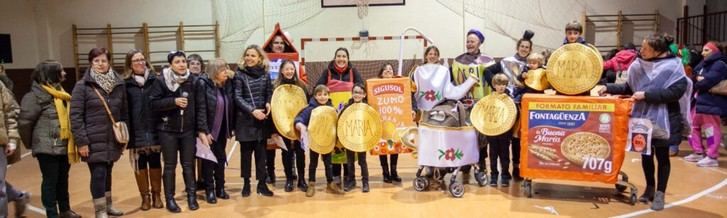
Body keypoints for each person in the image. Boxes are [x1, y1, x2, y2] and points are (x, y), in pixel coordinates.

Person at [599, 33, 692, 211]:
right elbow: (629, 87)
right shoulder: (638, 65)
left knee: (662, 156)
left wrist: (647, 95)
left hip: (665, 119)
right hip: (642, 118)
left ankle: (660, 193)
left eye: (645, 48)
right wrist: (608, 88)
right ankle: (649, 188)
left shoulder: (674, 67)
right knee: (645, 154)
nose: (640, 51)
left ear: (658, 51)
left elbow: (675, 93)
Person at [18, 60, 81, 218]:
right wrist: (33, 144)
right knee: (50, 181)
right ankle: (52, 213)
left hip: (64, 145)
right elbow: (24, 123)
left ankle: (65, 210)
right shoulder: (33, 96)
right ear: (51, 74)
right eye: (61, 71)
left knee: (63, 179)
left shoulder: (61, 92)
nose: (65, 73)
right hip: (46, 147)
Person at [70, 48, 127, 217]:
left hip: (112, 138)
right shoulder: (82, 86)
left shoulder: (119, 84)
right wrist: (82, 141)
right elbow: (75, 115)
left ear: (109, 62)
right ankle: (100, 210)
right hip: (92, 139)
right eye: (96, 61)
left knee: (108, 171)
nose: (100, 64)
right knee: (99, 173)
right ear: (91, 63)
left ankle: (108, 206)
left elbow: (124, 112)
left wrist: (124, 136)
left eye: (103, 60)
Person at [149, 51, 200, 213]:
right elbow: (153, 104)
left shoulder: (193, 80)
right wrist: (173, 102)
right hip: (167, 130)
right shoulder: (161, 81)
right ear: (171, 64)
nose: (181, 64)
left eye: (183, 61)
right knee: (170, 166)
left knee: (188, 165)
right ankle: (170, 198)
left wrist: (200, 128)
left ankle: (192, 196)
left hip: (188, 131)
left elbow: (200, 106)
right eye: (177, 62)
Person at [451, 29, 496, 184]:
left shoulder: (488, 61)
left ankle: (481, 165)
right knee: (464, 135)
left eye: (473, 41)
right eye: (468, 41)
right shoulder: (457, 61)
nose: (469, 43)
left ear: (479, 43)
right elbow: (452, 82)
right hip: (463, 105)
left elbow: (495, 82)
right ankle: (464, 164)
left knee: (481, 137)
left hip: (482, 105)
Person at [122, 49, 164, 211]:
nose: (140, 62)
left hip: (154, 128)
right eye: (135, 60)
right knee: (139, 164)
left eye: (142, 59)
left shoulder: (156, 80)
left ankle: (157, 195)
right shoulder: (125, 84)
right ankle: (145, 197)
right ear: (130, 65)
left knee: (155, 162)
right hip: (135, 130)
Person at [233, 45, 275, 197]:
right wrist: (252, 111)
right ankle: (246, 184)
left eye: (253, 55)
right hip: (245, 120)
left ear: (260, 58)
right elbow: (237, 97)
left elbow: (269, 92)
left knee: (261, 154)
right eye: (247, 55)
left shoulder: (265, 74)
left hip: (261, 120)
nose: (249, 58)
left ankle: (262, 184)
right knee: (246, 154)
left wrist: (268, 102)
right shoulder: (239, 75)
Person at [295, 85, 345, 197]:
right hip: (314, 142)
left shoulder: (331, 109)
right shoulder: (310, 109)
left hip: (327, 141)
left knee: (329, 163)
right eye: (319, 94)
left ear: (328, 96)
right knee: (313, 163)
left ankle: (330, 184)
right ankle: (311, 184)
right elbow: (299, 120)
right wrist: (301, 126)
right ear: (315, 96)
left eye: (325, 94)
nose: (322, 97)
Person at [196, 58, 234, 203]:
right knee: (208, 162)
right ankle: (209, 191)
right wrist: (204, 131)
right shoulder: (203, 84)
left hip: (222, 130)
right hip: (209, 131)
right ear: (215, 71)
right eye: (223, 69)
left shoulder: (224, 85)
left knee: (221, 160)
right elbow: (201, 109)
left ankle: (220, 188)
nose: (226, 72)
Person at [684, 41, 727, 167]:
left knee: (711, 130)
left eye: (706, 50)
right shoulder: (703, 64)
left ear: (714, 51)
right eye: (703, 50)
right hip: (699, 100)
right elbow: (694, 78)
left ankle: (712, 156)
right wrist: (699, 79)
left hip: (712, 102)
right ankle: (698, 152)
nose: (703, 53)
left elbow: (707, 82)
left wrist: (699, 80)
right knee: (692, 126)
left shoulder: (720, 64)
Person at [272, 60, 308, 192]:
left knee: (300, 152)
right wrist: (274, 129)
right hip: (282, 125)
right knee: (286, 152)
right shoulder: (275, 87)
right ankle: (288, 180)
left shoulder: (302, 85)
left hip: (299, 124)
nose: (289, 71)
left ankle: (302, 179)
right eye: (287, 69)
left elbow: (307, 105)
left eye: (292, 69)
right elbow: (274, 108)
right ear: (281, 71)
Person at [342, 84, 371, 192]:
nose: (357, 94)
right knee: (349, 161)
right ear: (352, 94)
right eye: (355, 92)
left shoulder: (368, 108)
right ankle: (351, 181)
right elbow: (341, 121)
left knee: (362, 161)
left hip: (362, 139)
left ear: (364, 95)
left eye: (359, 92)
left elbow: (372, 122)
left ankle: (365, 182)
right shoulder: (347, 107)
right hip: (349, 138)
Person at [487, 74, 514, 187]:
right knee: (493, 154)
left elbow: (513, 114)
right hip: (492, 132)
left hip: (505, 132)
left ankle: (504, 175)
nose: (501, 87)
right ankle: (493, 175)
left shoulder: (510, 100)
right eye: (498, 84)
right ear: (494, 85)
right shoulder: (489, 99)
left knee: (504, 155)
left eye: (503, 84)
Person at [378, 63, 402, 183]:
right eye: (385, 69)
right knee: (382, 147)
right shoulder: (374, 84)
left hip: (394, 122)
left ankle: (394, 171)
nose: (388, 71)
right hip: (381, 123)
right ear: (381, 73)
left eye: (390, 69)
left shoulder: (399, 83)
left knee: (394, 146)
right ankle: (385, 172)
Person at [187, 53, 207, 191]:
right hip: (188, 122)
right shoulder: (184, 81)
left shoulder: (205, 80)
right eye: (192, 63)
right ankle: (191, 182)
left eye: (198, 64)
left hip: (202, 120)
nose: (195, 66)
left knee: (203, 153)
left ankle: (202, 179)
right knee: (190, 154)